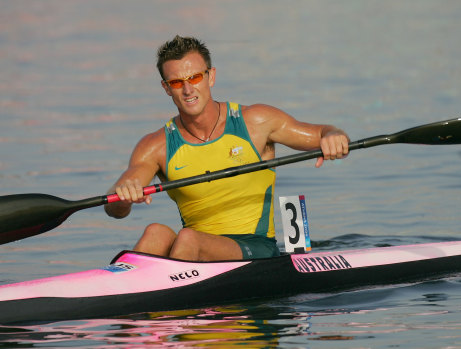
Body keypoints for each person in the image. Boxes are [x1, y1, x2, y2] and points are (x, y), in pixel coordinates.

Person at [105, 35, 349, 261]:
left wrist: (334, 136)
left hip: (257, 249)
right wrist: (124, 196)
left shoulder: (256, 122)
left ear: (211, 76)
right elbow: (115, 206)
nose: (188, 89)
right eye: (177, 82)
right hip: (192, 251)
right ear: (166, 88)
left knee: (188, 238)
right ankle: (116, 293)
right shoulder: (155, 146)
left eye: (195, 78)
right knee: (155, 232)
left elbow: (321, 133)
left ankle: (163, 303)